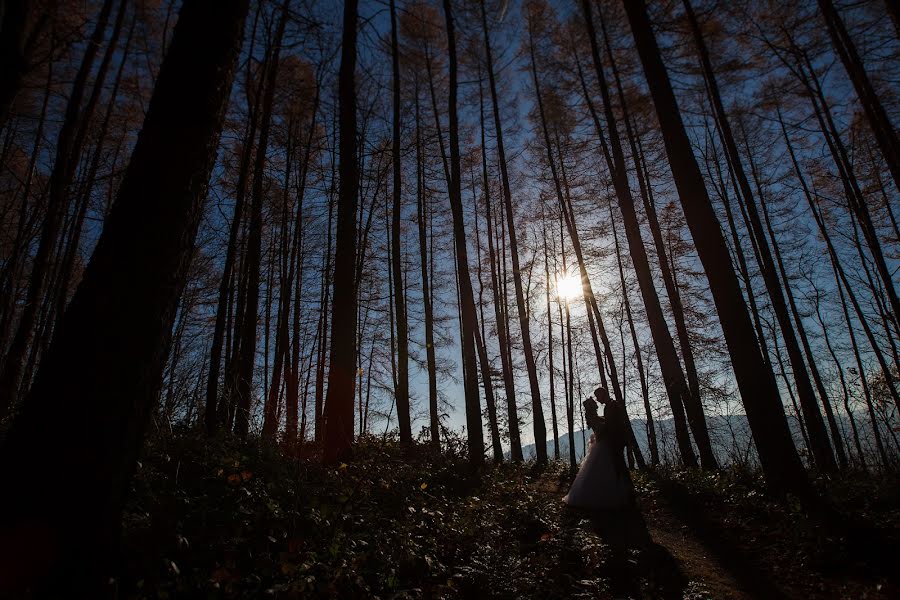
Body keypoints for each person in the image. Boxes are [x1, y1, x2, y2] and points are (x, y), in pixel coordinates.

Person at [562, 387, 634, 510]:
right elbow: (609, 423)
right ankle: (624, 492)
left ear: (603, 395)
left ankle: (626, 492)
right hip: (611, 441)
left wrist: (599, 423)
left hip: (615, 441)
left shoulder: (612, 406)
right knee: (617, 466)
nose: (597, 399)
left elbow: (612, 425)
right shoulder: (610, 406)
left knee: (618, 465)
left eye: (598, 396)